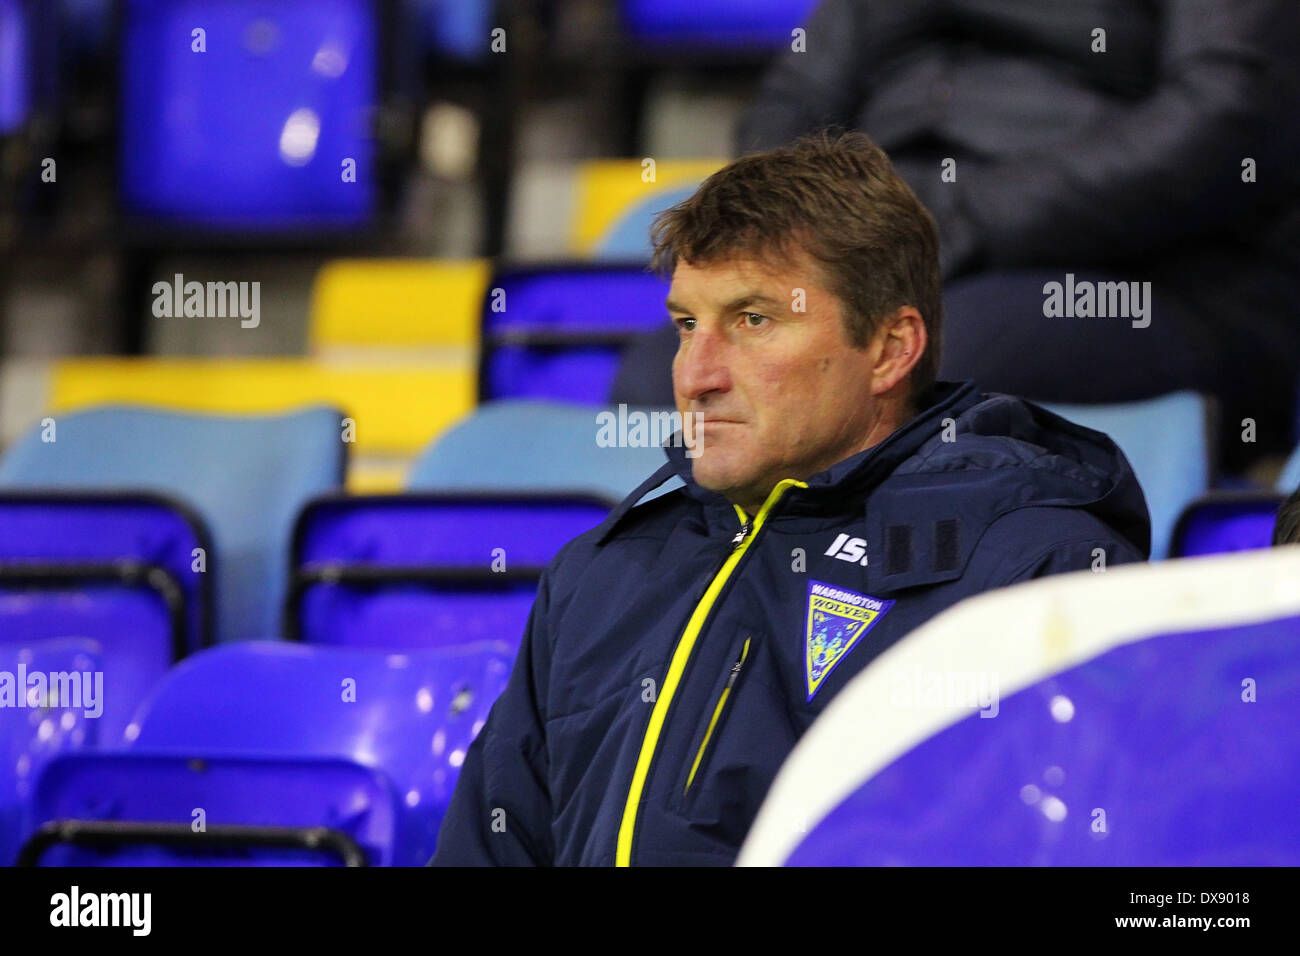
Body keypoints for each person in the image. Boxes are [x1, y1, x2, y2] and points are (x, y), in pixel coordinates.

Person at [430, 131, 1149, 867]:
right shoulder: (598, 576)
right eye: (686, 325)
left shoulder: (1037, 573)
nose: (694, 375)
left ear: (891, 349)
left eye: (753, 320)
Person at [613, 0, 1300, 472]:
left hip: (1142, 268)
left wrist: (955, 220)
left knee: (927, 362)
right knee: (662, 376)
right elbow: (795, 95)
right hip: (885, 244)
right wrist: (810, 228)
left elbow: (1226, 115)